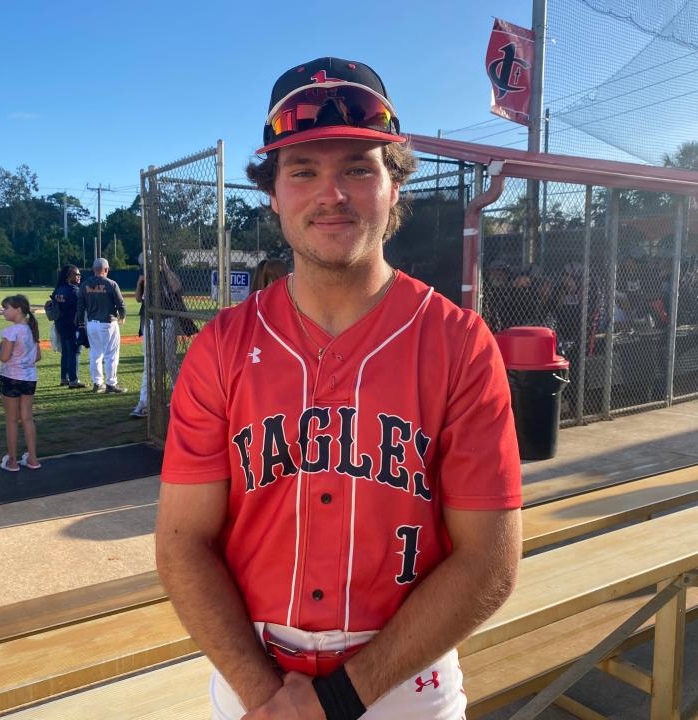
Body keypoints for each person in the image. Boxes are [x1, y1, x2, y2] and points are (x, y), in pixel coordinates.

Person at [155, 57, 522, 720]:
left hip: (403, 679)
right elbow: (183, 541)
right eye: (303, 170)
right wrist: (266, 694)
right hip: (252, 672)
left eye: (358, 166)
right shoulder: (220, 349)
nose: (333, 193)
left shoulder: (460, 344)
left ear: (394, 186)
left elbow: (489, 564)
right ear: (273, 194)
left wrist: (337, 699)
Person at [130, 253, 197, 418]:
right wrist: (140, 282)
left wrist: (165, 267)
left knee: (170, 361)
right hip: (150, 321)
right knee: (149, 362)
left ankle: (181, 396)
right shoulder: (145, 276)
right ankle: (143, 403)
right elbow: (139, 298)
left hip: (167, 320)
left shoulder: (166, 275)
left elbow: (177, 288)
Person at [0, 294, 42, 471]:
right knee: (27, 418)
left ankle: (13, 461)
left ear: (18, 309)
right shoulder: (32, 329)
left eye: (6, 308)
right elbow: (37, 356)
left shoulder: (11, 331)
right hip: (29, 379)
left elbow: (5, 356)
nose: (4, 312)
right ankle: (33, 458)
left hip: (11, 378)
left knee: (11, 420)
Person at [76, 258, 127, 394]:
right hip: (108, 323)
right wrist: (122, 316)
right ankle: (111, 384)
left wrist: (81, 324)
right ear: (106, 269)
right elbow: (121, 305)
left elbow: (80, 307)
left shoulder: (85, 284)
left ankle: (97, 383)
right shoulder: (111, 284)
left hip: (92, 324)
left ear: (94, 269)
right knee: (111, 355)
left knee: (95, 354)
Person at [52, 264, 86, 389]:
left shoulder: (58, 289)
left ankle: (64, 378)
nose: (79, 276)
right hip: (72, 325)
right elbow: (81, 308)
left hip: (61, 324)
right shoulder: (74, 290)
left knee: (65, 352)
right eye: (77, 274)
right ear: (69, 276)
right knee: (74, 352)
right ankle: (73, 380)